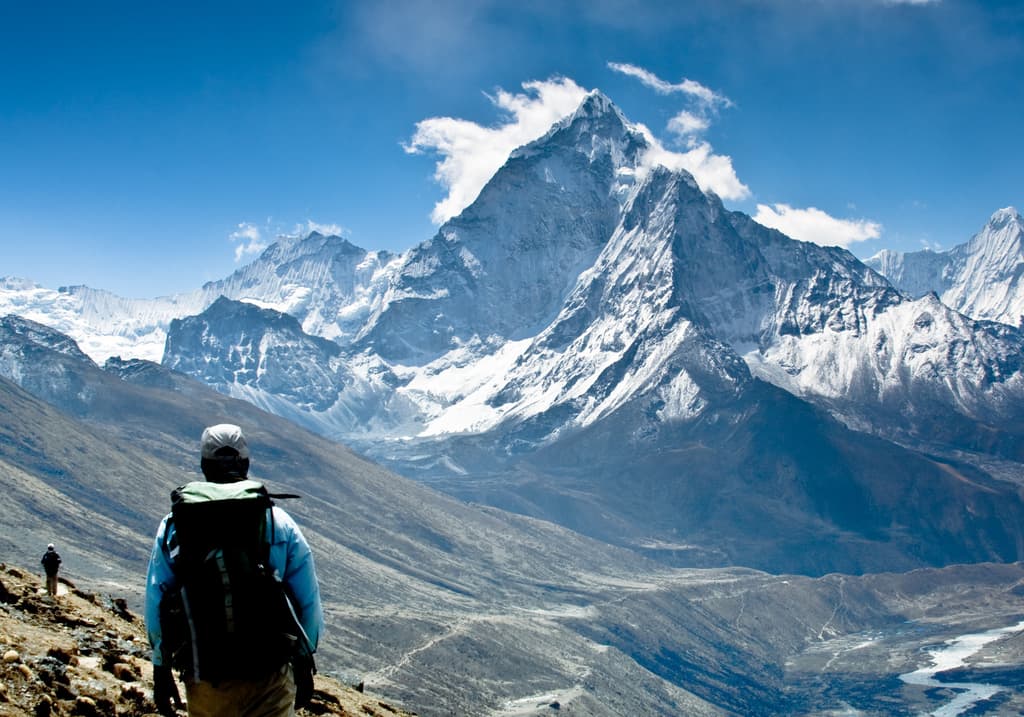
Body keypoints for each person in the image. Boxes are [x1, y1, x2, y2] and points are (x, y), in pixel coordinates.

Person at [145, 424, 323, 717]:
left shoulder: (175, 525)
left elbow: (158, 598)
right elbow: (307, 602)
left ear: (204, 465)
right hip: (270, 675)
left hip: (206, 676)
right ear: (246, 463)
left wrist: (160, 667)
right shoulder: (276, 522)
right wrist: (305, 660)